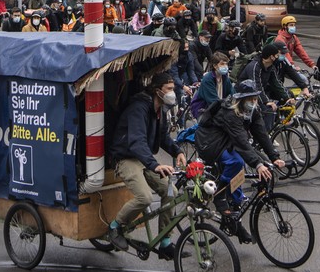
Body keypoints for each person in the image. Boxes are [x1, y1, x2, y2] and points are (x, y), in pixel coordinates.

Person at [106, 73, 187, 259]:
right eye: (169, 89)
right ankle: (114, 227)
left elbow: (163, 137)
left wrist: (177, 151)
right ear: (157, 90)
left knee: (171, 192)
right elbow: (137, 141)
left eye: (173, 89)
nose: (172, 93)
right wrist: (155, 165)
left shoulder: (160, 110)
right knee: (144, 198)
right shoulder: (139, 108)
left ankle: (165, 242)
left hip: (143, 158)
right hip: (125, 157)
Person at [195, 79, 285, 243]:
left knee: (243, 170)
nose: (254, 102)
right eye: (250, 99)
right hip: (211, 141)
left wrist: (274, 157)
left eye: (255, 98)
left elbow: (261, 134)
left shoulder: (252, 110)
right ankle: (220, 195)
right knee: (236, 162)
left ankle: (234, 218)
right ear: (241, 99)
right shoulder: (231, 112)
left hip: (228, 139)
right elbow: (241, 141)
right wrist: (257, 164)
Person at [237, 43, 292, 129]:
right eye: (277, 55)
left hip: (257, 93)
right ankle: (266, 135)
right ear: (271, 57)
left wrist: (287, 97)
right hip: (246, 94)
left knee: (276, 105)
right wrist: (266, 102)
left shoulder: (271, 67)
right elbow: (257, 86)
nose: (278, 57)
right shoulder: (254, 66)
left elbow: (276, 83)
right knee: (268, 109)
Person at [191, 52, 232, 118]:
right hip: (203, 109)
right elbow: (212, 101)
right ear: (215, 65)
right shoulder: (208, 79)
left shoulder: (225, 78)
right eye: (222, 64)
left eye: (226, 64)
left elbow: (231, 93)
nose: (225, 66)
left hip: (218, 107)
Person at [169, 39, 198, 104]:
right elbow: (174, 75)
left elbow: (190, 70)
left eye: (187, 47)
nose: (186, 49)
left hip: (183, 73)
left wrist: (195, 81)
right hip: (172, 75)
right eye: (184, 48)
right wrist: (183, 86)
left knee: (189, 91)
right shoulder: (173, 57)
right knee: (180, 92)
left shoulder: (189, 55)